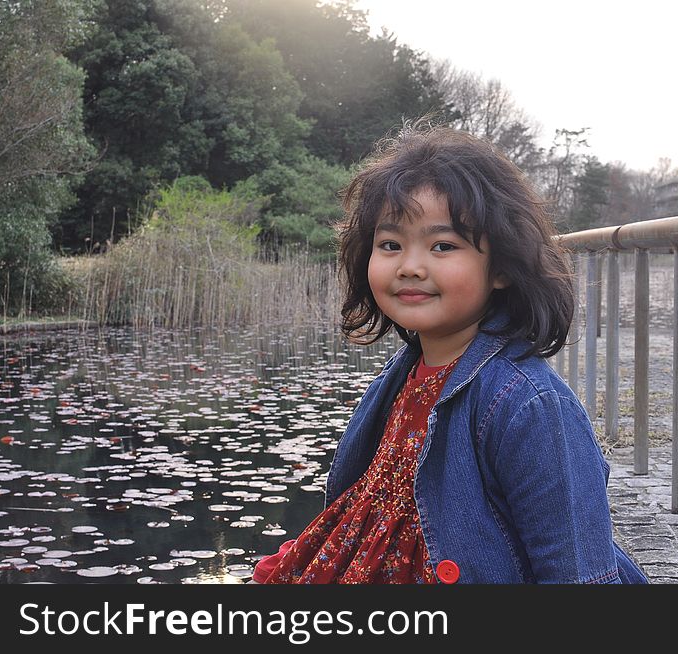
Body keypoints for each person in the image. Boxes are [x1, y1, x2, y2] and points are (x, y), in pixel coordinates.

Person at [251, 122, 648, 584]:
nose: (410, 266)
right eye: (390, 245)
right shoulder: (402, 375)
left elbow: (576, 571)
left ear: (500, 266)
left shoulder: (532, 408)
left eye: (443, 246)